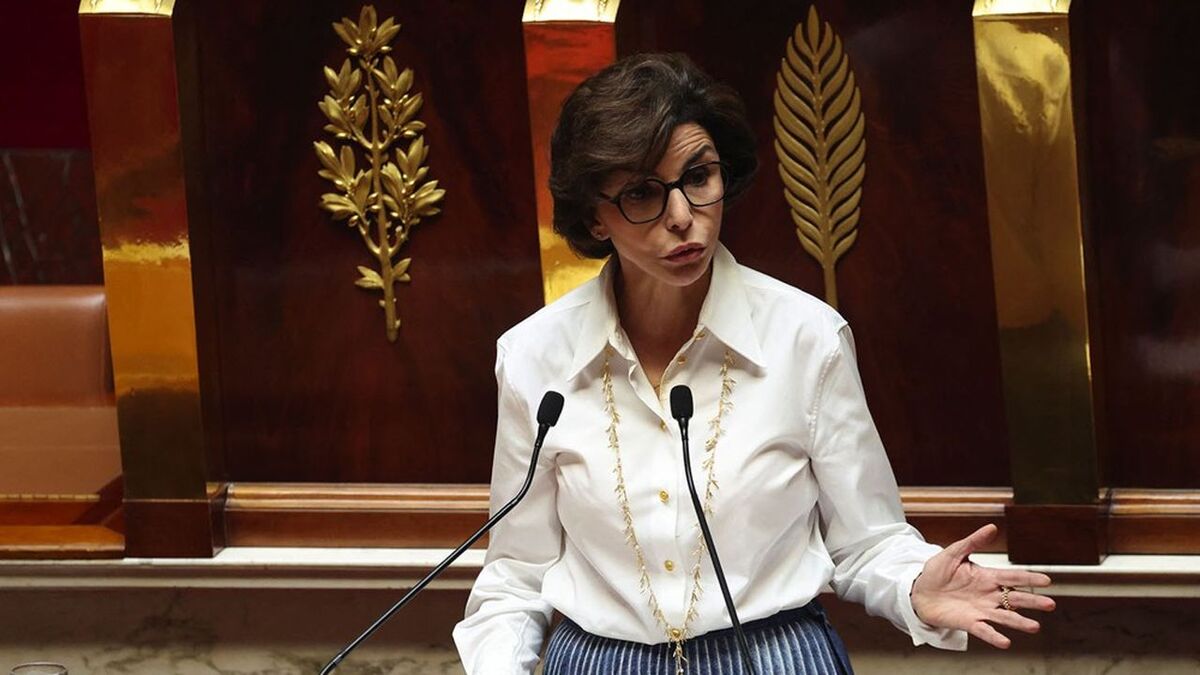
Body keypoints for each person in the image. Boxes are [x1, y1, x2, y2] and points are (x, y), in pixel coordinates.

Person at [453, 53, 1054, 675]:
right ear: (592, 218)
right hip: (598, 661)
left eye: (698, 177)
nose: (682, 215)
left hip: (775, 656)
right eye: (641, 193)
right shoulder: (533, 356)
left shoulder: (806, 336)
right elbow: (517, 575)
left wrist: (912, 589)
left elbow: (866, 539)